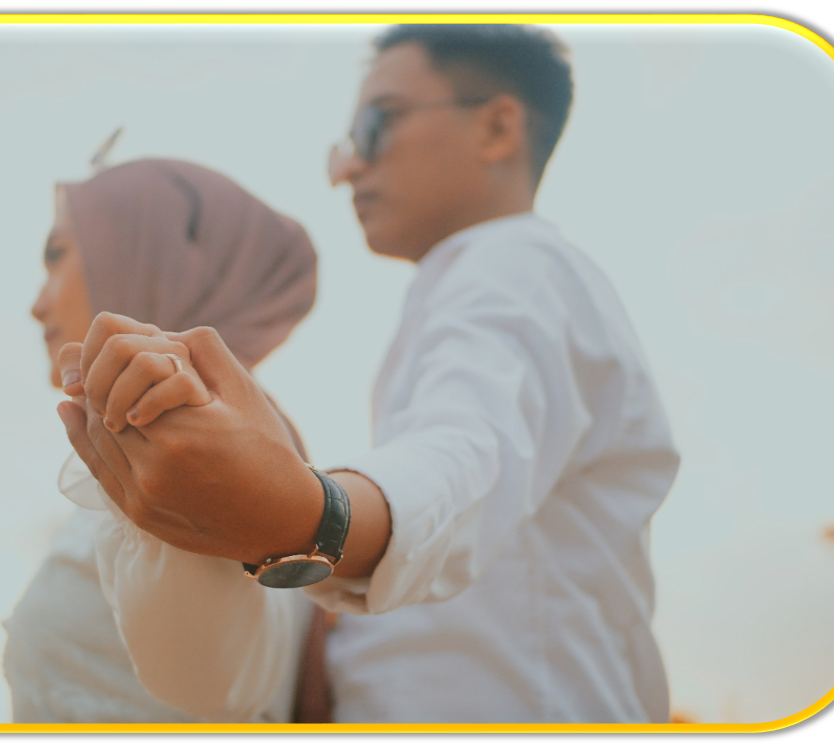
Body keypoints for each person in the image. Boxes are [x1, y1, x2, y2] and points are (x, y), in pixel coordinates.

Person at [56, 24, 681, 722]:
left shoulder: (516, 269)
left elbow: (464, 451)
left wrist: (310, 514)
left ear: (498, 128)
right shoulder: (477, 287)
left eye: (375, 126)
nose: (345, 167)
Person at [1, 158, 322, 723]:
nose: (37, 303)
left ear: (149, 255)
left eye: (57, 255)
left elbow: (213, 685)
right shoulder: (171, 446)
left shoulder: (204, 451)